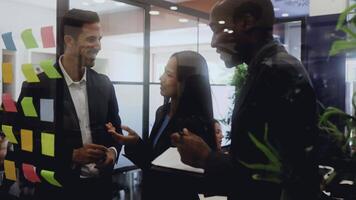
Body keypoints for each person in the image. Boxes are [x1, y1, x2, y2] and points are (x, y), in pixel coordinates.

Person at [171, 0, 319, 200]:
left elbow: (276, 176)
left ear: (246, 22)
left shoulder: (276, 72)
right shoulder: (267, 69)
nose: (213, 42)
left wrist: (207, 158)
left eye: (217, 30)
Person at [9, 9, 122, 200]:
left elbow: (116, 130)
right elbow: (23, 142)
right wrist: (71, 155)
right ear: (69, 41)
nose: (98, 46)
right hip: (56, 191)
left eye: (100, 39)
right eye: (91, 39)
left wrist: (112, 151)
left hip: (100, 190)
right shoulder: (37, 86)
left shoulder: (104, 84)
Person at [107, 51, 217, 200]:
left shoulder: (195, 124)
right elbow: (152, 160)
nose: (161, 78)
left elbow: (194, 177)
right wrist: (135, 143)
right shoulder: (162, 112)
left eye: (169, 74)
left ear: (186, 81)